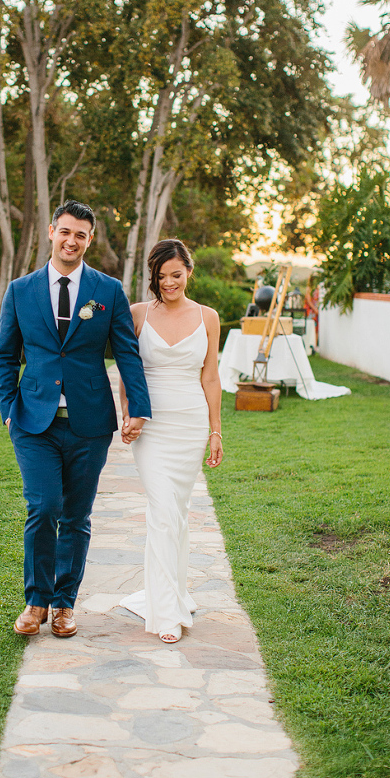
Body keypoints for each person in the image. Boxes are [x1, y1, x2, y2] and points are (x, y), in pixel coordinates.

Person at [0, 201, 151, 639]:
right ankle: (36, 600)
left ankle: (64, 604)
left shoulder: (108, 290)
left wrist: (135, 407)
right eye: (65, 231)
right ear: (51, 231)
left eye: (80, 234)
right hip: (33, 421)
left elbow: (127, 353)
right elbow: (5, 357)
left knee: (76, 516)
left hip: (89, 422)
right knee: (42, 508)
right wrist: (9, 411)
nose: (71, 240)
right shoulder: (21, 290)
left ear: (90, 239)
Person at [118, 239, 224, 644]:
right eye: (161, 277)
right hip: (152, 426)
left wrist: (216, 431)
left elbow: (210, 377)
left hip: (191, 424)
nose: (168, 284)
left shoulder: (208, 317)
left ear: (188, 272)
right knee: (163, 511)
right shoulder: (137, 314)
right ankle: (165, 613)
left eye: (175, 275)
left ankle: (174, 593)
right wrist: (129, 415)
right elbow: (129, 370)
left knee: (176, 513)